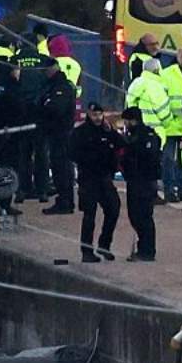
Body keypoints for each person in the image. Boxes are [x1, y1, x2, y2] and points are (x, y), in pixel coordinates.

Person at [69, 102, 123, 261]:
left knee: (113, 208)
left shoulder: (107, 131)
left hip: (104, 177)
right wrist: (88, 160)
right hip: (88, 179)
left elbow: (121, 144)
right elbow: (71, 152)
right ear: (89, 114)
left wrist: (112, 131)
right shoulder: (80, 133)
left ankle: (104, 245)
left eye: (100, 114)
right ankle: (86, 251)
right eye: (94, 115)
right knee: (89, 215)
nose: (98, 118)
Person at [9, 37, 55, 201]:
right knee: (41, 152)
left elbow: (13, 81)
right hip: (40, 111)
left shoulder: (15, 60)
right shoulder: (45, 61)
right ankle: (42, 190)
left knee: (23, 152)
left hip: (21, 111)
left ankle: (23, 189)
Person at [120, 106, 162, 261]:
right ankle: (144, 246)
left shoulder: (144, 136)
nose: (125, 124)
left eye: (127, 121)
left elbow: (146, 157)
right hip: (136, 180)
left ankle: (147, 250)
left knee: (142, 215)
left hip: (143, 180)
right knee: (135, 215)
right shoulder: (136, 135)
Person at [36, 61, 78, 214]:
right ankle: (64, 199)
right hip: (55, 133)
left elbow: (55, 108)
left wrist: (44, 107)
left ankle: (65, 201)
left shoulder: (61, 87)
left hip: (62, 133)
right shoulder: (52, 86)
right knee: (59, 166)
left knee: (62, 168)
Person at [156, 48, 182, 203]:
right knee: (168, 159)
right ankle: (169, 190)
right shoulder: (167, 74)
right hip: (170, 124)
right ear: (177, 57)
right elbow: (161, 97)